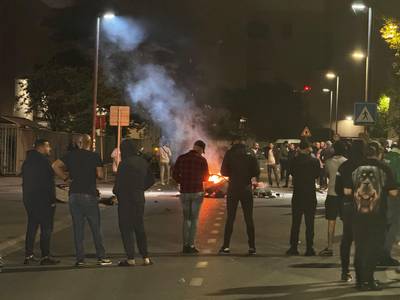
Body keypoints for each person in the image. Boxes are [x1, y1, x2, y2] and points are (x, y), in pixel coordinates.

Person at [343, 141, 398, 291]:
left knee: (360, 248)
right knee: (374, 248)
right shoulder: (385, 168)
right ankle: (369, 280)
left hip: (358, 216)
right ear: (379, 153)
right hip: (378, 217)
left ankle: (360, 281)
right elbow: (393, 193)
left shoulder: (356, 168)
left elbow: (347, 191)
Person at [52, 134, 111, 267]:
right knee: (95, 227)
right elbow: (100, 175)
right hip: (89, 195)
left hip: (73, 195)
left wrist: (65, 178)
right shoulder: (94, 156)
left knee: (78, 228)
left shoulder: (70, 155)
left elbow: (55, 165)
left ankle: (80, 259)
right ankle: (101, 257)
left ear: (78, 143)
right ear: (89, 143)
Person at [113, 139, 155, 266]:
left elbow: (118, 185)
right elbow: (151, 180)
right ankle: (145, 257)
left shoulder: (124, 164)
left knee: (126, 228)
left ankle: (130, 258)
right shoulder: (142, 162)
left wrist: (116, 193)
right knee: (139, 227)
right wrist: (141, 188)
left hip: (125, 200)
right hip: (138, 198)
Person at [21, 139, 60, 265]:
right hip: (43, 200)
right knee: (46, 228)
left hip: (29, 199)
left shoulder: (27, 161)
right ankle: (45, 256)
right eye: (48, 147)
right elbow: (48, 184)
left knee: (32, 226)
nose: (50, 149)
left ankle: (29, 255)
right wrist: (52, 200)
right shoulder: (44, 162)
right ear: (41, 147)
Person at [219, 137, 260, 255]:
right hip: (246, 188)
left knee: (230, 218)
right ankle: (252, 247)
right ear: (244, 141)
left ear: (235, 141)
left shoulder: (230, 153)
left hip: (233, 187)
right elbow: (256, 171)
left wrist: (233, 174)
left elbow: (223, 172)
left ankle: (226, 246)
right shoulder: (250, 152)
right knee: (249, 218)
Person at [335, 140, 365, 282]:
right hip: (364, 206)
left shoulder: (344, 166)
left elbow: (337, 188)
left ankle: (345, 271)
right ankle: (361, 273)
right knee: (362, 241)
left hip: (347, 206)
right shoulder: (366, 165)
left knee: (346, 239)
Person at [173, 140, 209, 254]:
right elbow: (206, 177)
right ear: (201, 149)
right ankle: (191, 245)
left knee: (186, 219)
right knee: (194, 219)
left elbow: (174, 174)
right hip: (197, 192)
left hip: (184, 192)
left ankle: (185, 246)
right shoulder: (202, 160)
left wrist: (182, 181)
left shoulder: (181, 158)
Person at [286, 139, 320, 256]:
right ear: (308, 148)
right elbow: (317, 175)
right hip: (310, 193)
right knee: (310, 223)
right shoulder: (314, 161)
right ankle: (309, 248)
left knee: (296, 222)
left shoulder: (294, 160)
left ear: (300, 148)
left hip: (298, 193)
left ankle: (293, 247)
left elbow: (291, 172)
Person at [319, 141, 347, 257]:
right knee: (346, 222)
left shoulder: (328, 162)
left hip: (331, 194)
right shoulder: (346, 162)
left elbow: (327, 175)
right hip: (344, 195)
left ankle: (330, 247)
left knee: (331, 221)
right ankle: (346, 246)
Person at [380, 142, 400, 266]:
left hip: (381, 196)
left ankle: (380, 253)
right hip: (394, 196)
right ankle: (385, 255)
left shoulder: (384, 157)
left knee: (384, 225)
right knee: (394, 225)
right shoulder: (398, 159)